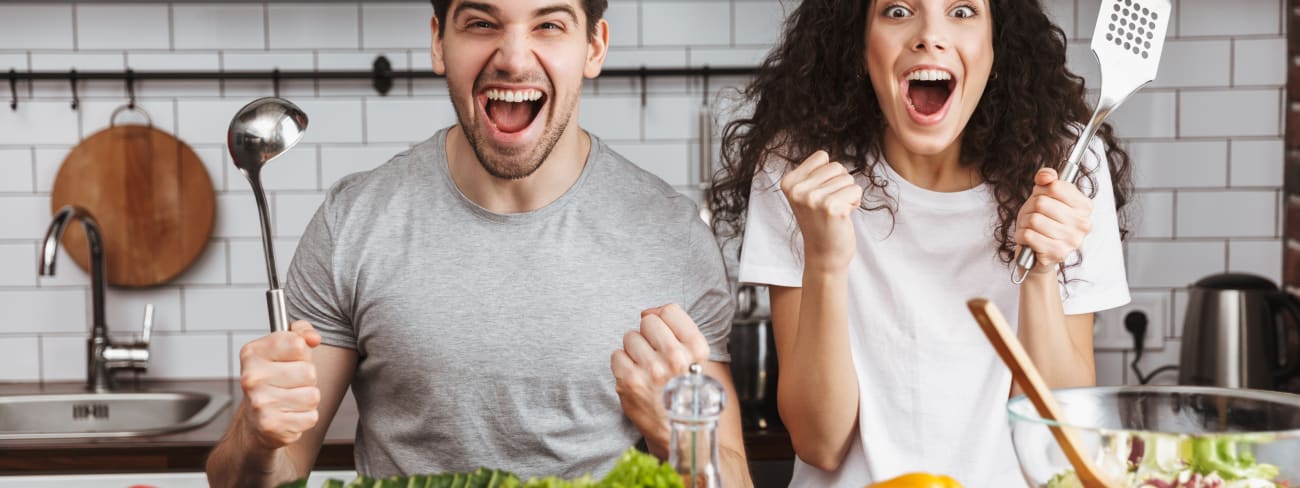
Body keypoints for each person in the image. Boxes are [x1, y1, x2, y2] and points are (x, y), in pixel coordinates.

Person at [205, 1, 752, 486]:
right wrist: (256, 438)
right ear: (439, 41)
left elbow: (733, 479)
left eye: (550, 25)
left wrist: (680, 435)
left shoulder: (670, 237)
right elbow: (255, 480)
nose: (513, 58)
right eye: (482, 22)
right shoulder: (353, 222)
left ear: (594, 46)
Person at [708, 0, 1133, 486]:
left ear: (996, 43)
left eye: (963, 11)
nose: (929, 35)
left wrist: (1041, 272)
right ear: (859, 44)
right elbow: (819, 443)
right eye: (897, 10)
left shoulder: (1068, 164)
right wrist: (825, 263)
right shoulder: (799, 169)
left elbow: (1060, 443)